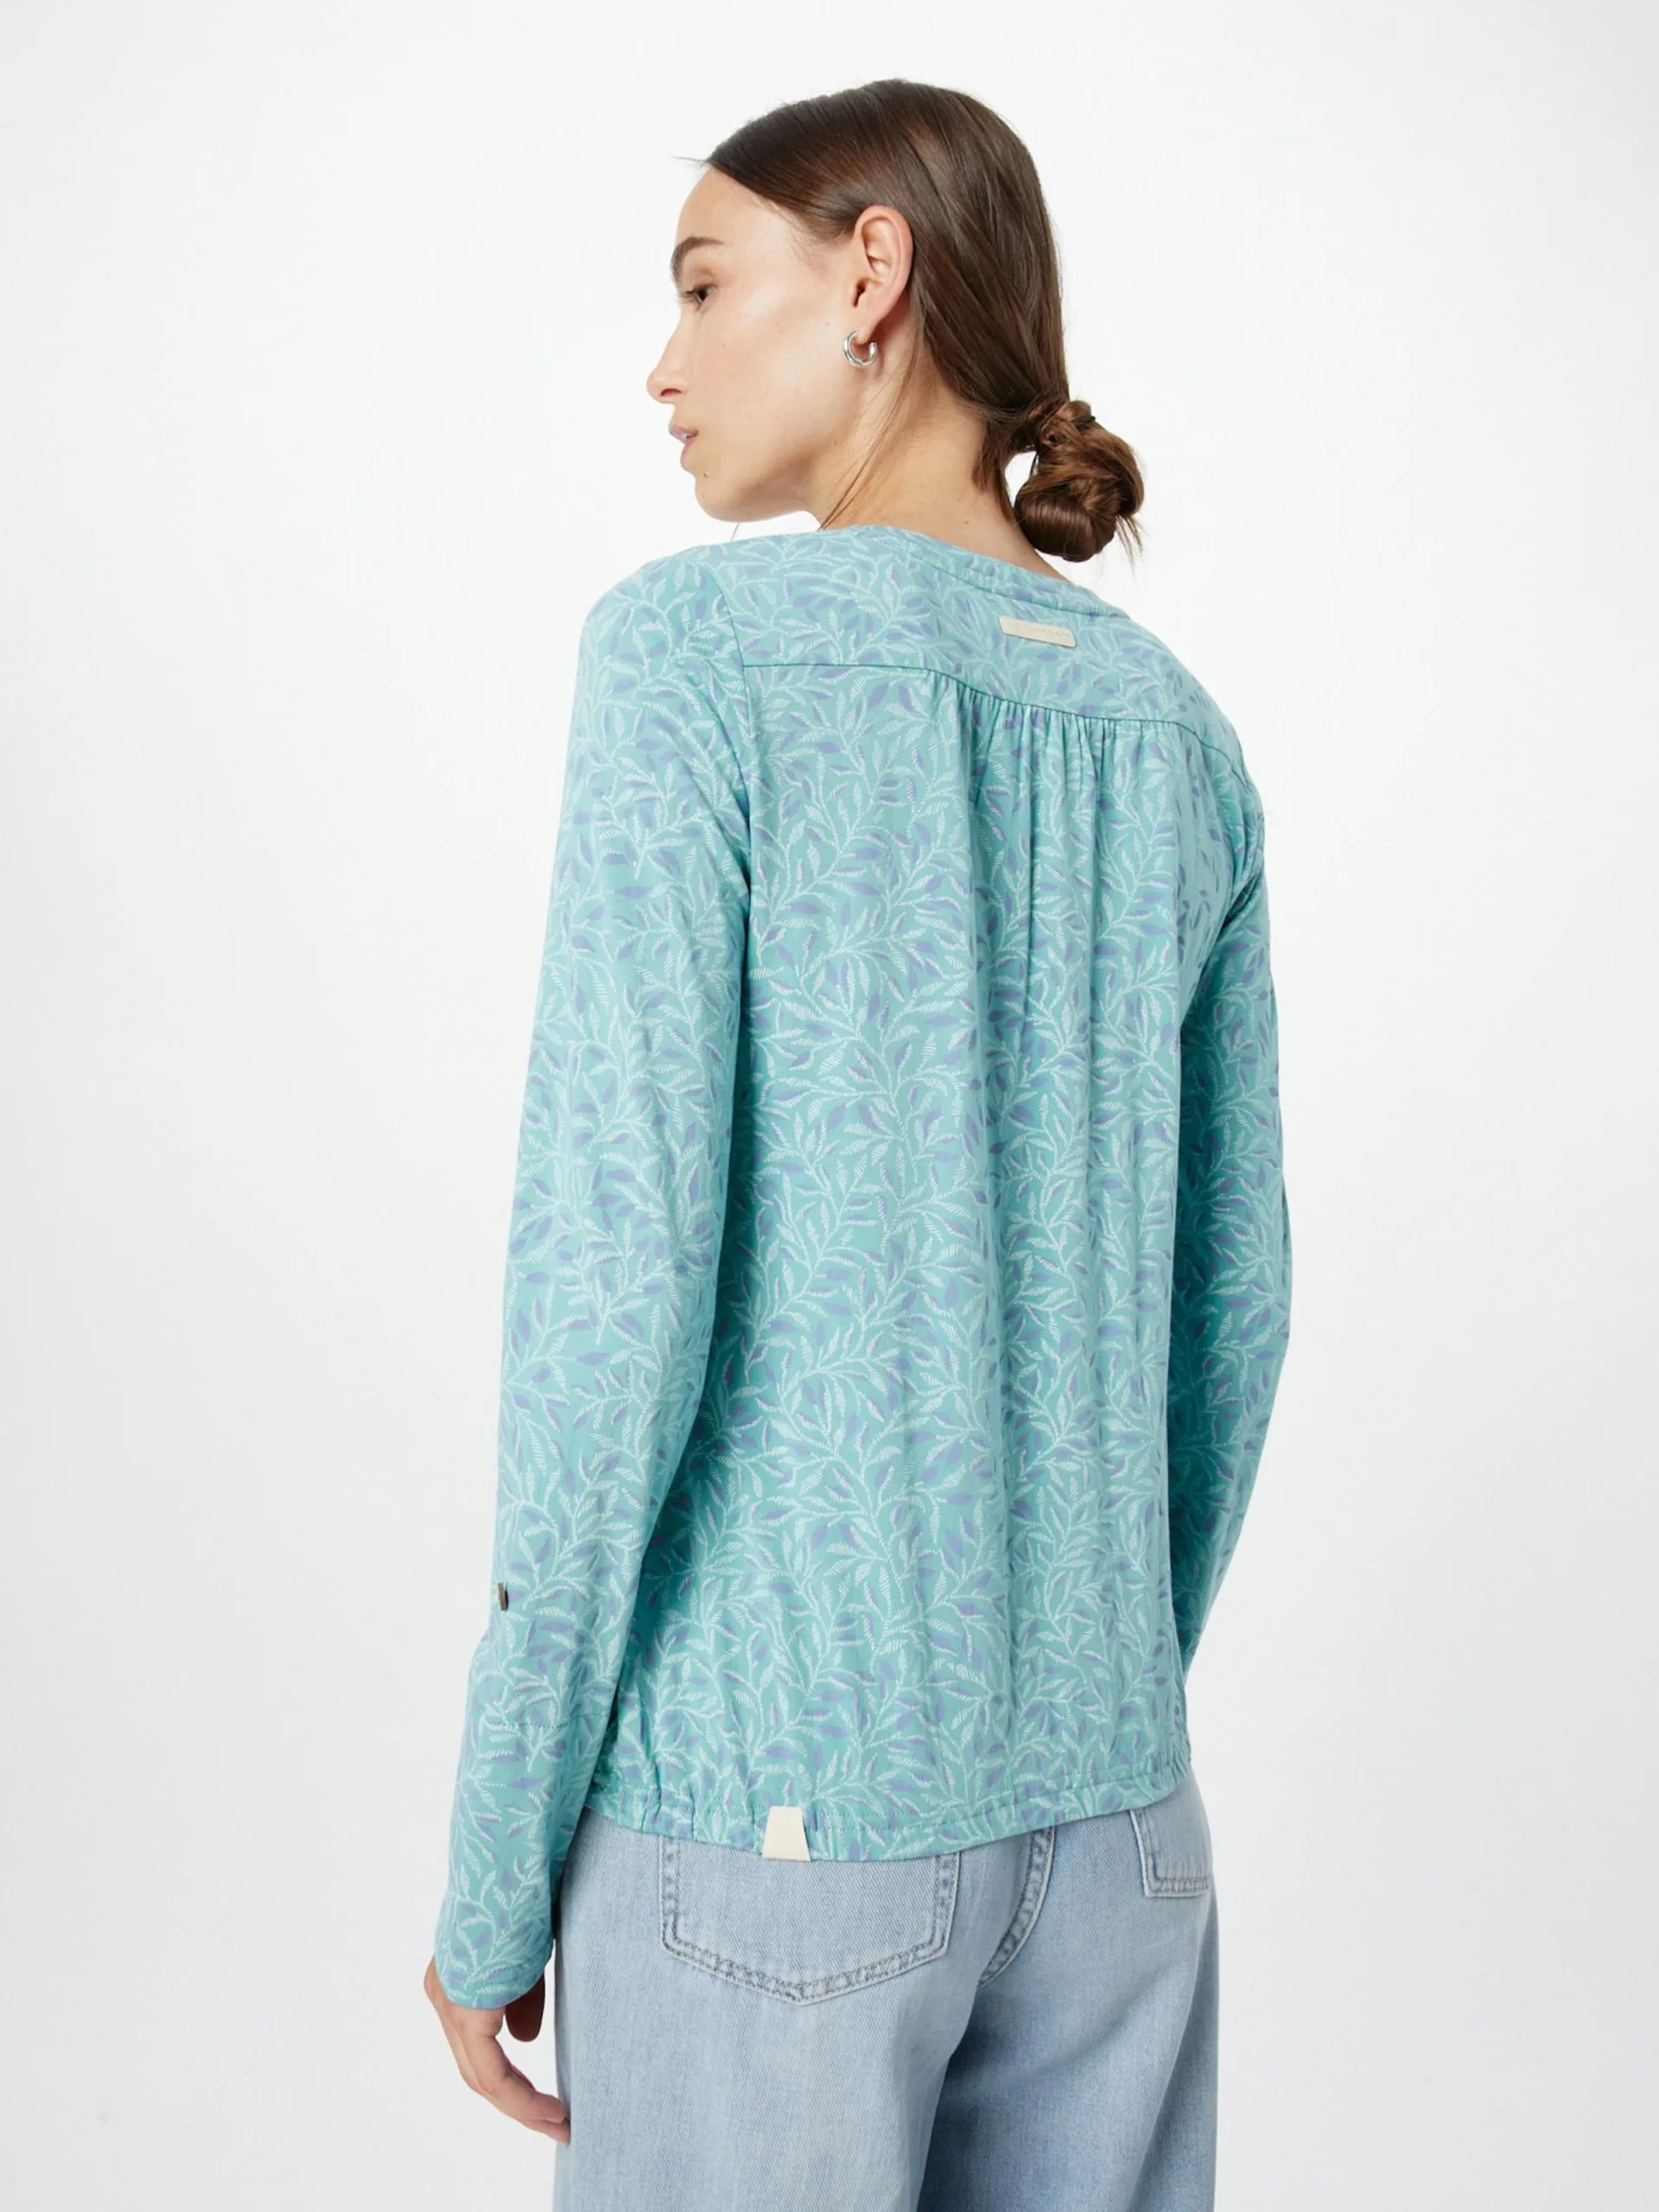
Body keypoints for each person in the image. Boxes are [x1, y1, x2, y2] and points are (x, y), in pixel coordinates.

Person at [423, 76, 1292, 2212]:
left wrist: (498, 1846)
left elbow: (616, 1285)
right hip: (1117, 1837)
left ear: (873, 272)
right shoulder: (1177, 737)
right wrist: (1084, 1689)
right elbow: (1234, 1314)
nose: (665, 362)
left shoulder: (693, 657)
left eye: (706, 286)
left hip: (768, 1825)